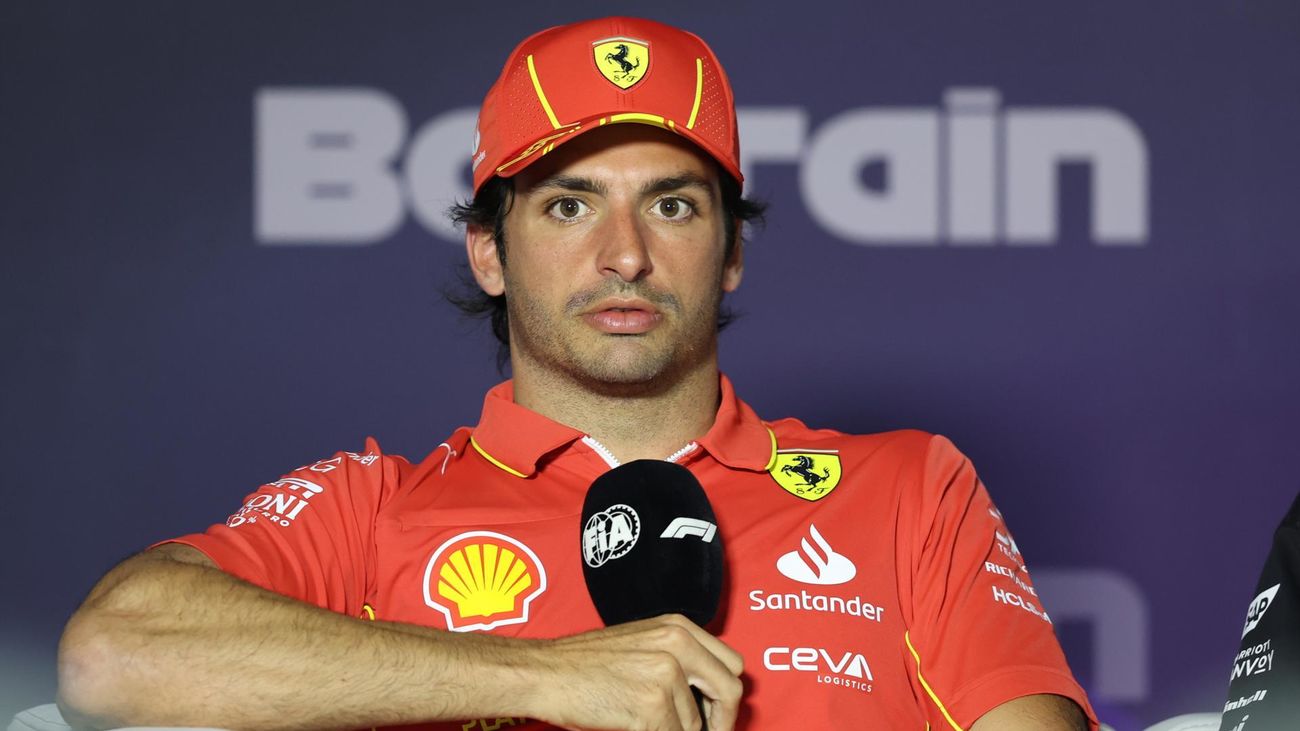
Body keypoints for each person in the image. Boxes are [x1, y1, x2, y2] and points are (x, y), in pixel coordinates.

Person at [57, 16, 1097, 731]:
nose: (625, 255)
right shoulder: (370, 509)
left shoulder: (907, 488)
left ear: (731, 250)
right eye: (568, 204)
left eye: (672, 205)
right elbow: (113, 650)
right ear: (488, 252)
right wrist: (545, 677)